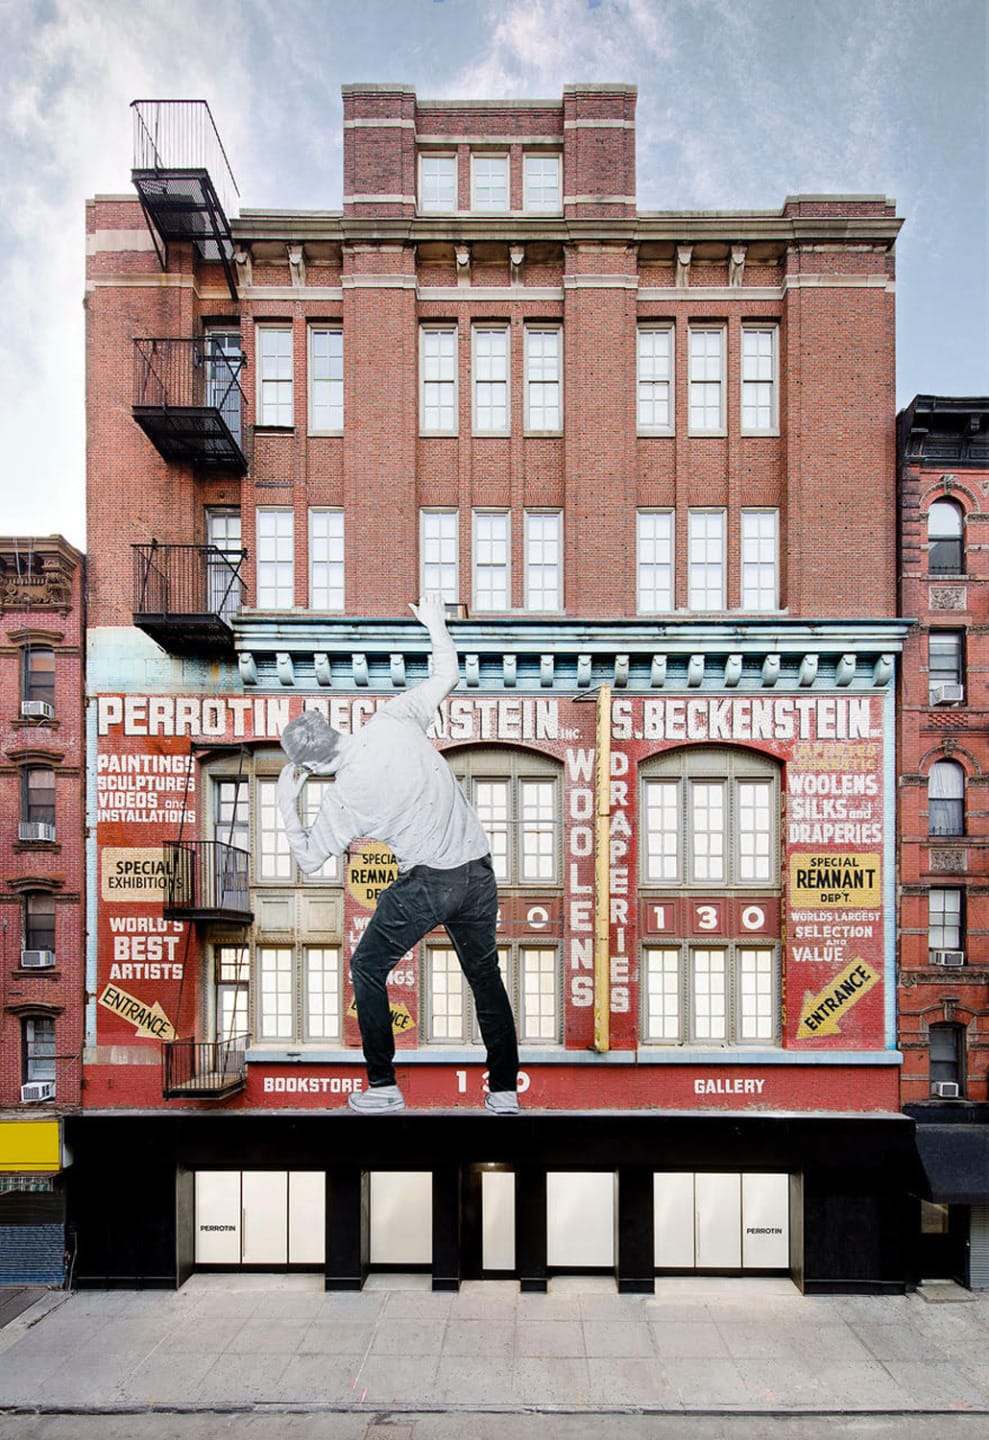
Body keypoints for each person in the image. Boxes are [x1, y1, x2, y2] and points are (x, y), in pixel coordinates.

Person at [277, 594, 520, 1115]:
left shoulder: (342, 798)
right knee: (485, 979)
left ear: (311, 767)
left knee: (366, 965)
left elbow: (308, 859)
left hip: (430, 883)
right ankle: (504, 1092)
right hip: (478, 872)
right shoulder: (392, 718)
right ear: (334, 728)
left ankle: (384, 1085)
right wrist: (435, 623)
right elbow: (448, 673)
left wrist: (285, 802)